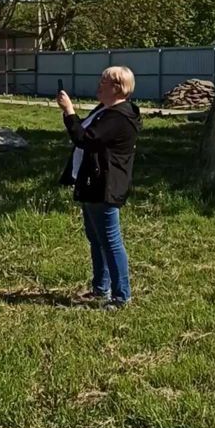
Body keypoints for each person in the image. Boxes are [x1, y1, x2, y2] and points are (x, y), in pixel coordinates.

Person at [57, 66, 141, 309]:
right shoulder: (106, 110)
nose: (99, 84)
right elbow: (83, 132)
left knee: (111, 241)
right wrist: (71, 117)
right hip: (93, 182)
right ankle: (100, 288)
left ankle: (121, 296)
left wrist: (69, 111)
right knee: (96, 239)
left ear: (117, 87)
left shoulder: (119, 117)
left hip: (106, 185)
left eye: (103, 81)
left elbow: (85, 139)